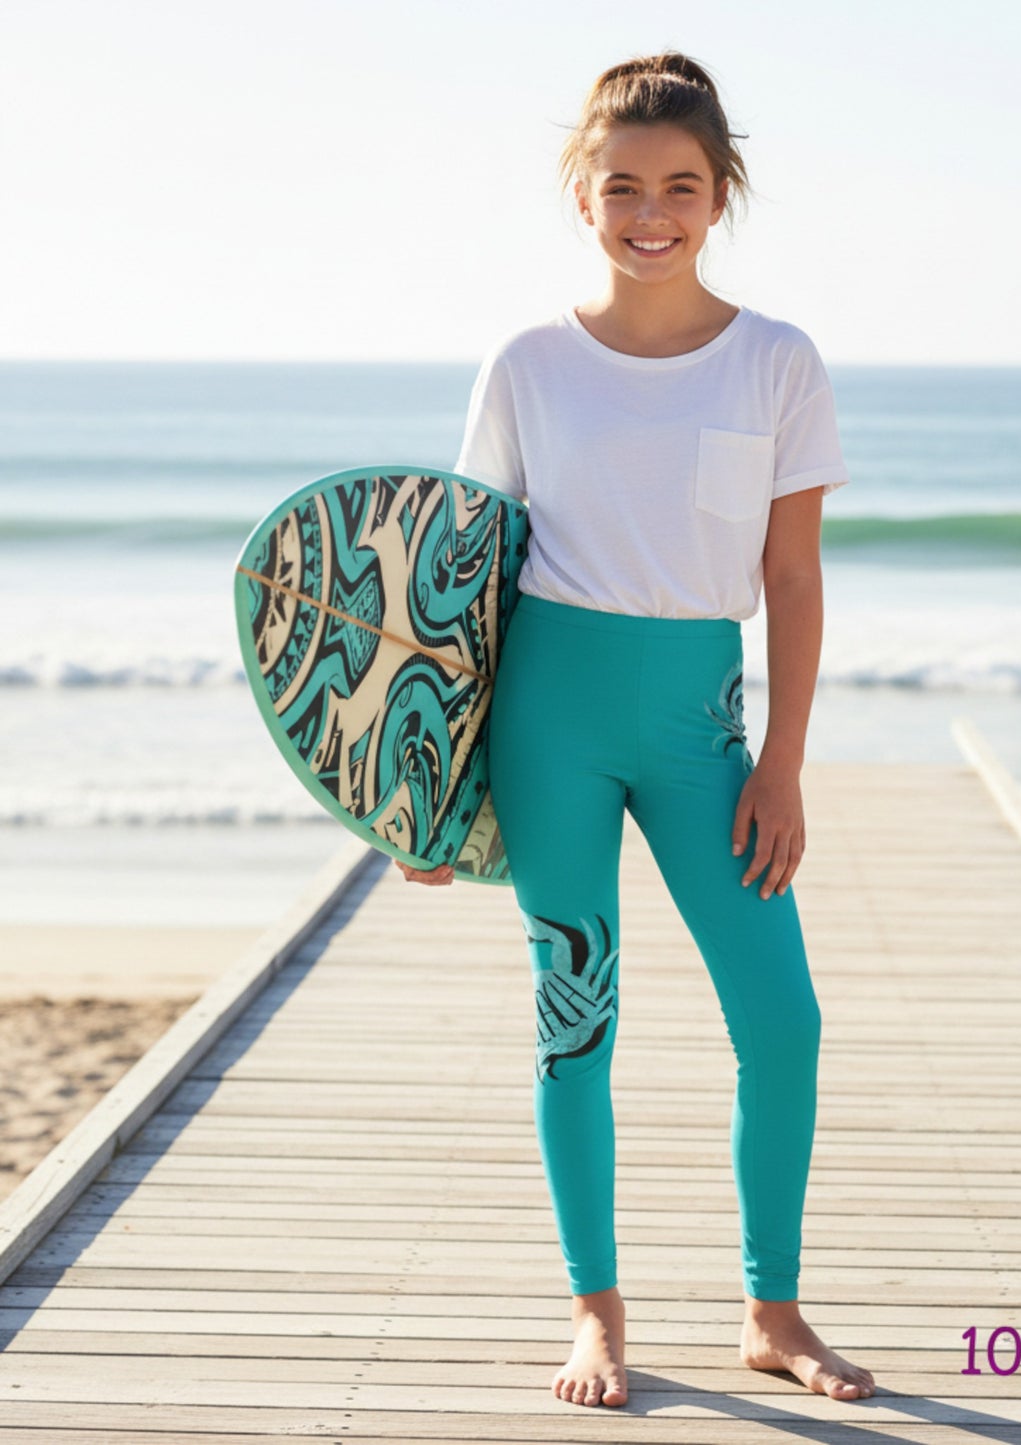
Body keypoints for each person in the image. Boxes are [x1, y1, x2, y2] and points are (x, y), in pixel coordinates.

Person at [395, 50, 875, 1411]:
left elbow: (790, 577)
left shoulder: (778, 362)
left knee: (782, 1021)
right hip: (544, 719)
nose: (649, 210)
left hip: (698, 727)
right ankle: (595, 1313)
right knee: (574, 1021)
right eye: (622, 185)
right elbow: (459, 585)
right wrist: (429, 790)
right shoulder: (528, 362)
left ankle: (770, 1307)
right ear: (582, 193)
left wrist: (780, 762)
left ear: (719, 192)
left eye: (678, 185)